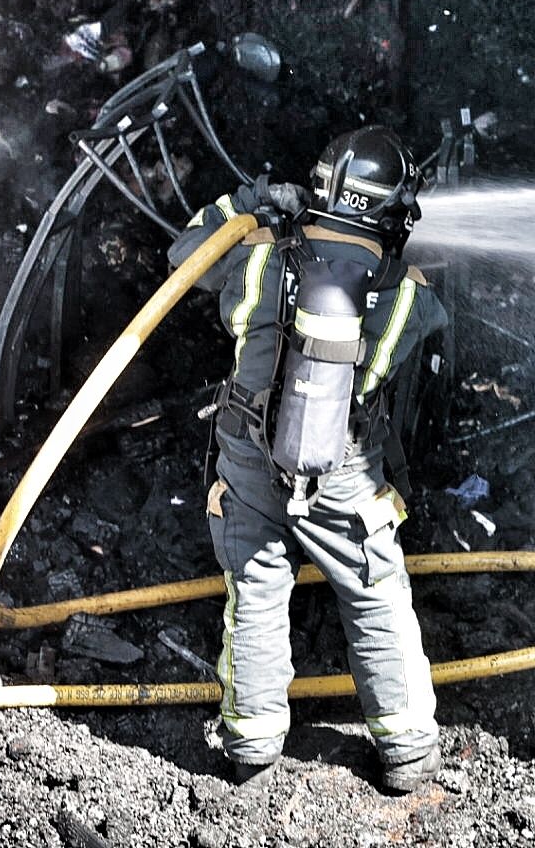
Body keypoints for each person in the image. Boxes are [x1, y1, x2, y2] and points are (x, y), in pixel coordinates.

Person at [168, 127, 448, 792]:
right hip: (345, 469)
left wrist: (251, 200)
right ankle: (407, 749)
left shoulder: (257, 253)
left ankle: (251, 744)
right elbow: (414, 349)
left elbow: (186, 255)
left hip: (247, 458)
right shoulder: (409, 293)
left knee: (256, 593)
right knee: (375, 596)